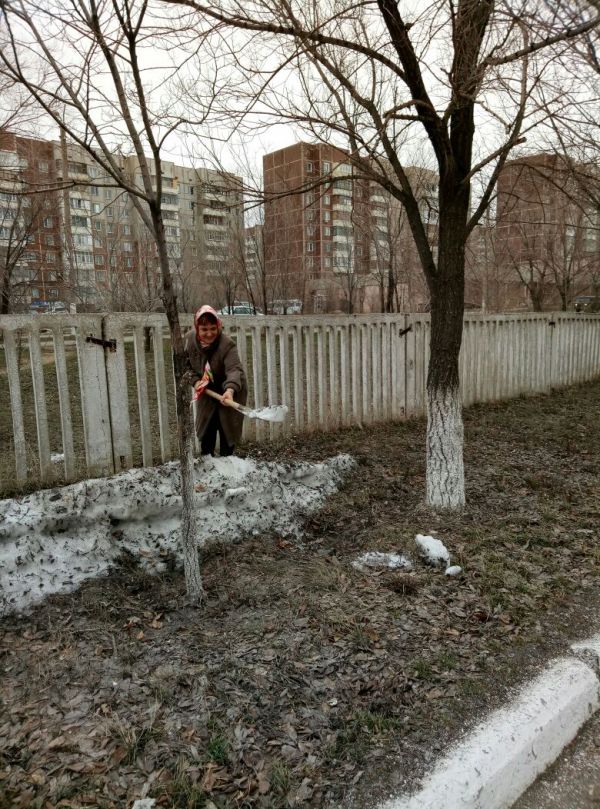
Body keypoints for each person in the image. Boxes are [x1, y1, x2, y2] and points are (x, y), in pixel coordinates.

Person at [184, 304, 248, 458]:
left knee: (227, 432)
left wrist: (230, 390)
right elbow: (185, 366)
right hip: (206, 390)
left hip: (229, 391)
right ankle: (208, 464)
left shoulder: (227, 345)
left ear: (218, 326)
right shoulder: (190, 341)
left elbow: (234, 370)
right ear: (197, 328)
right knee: (207, 431)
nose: (209, 333)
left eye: (213, 328)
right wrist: (195, 381)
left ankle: (228, 464)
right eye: (204, 329)